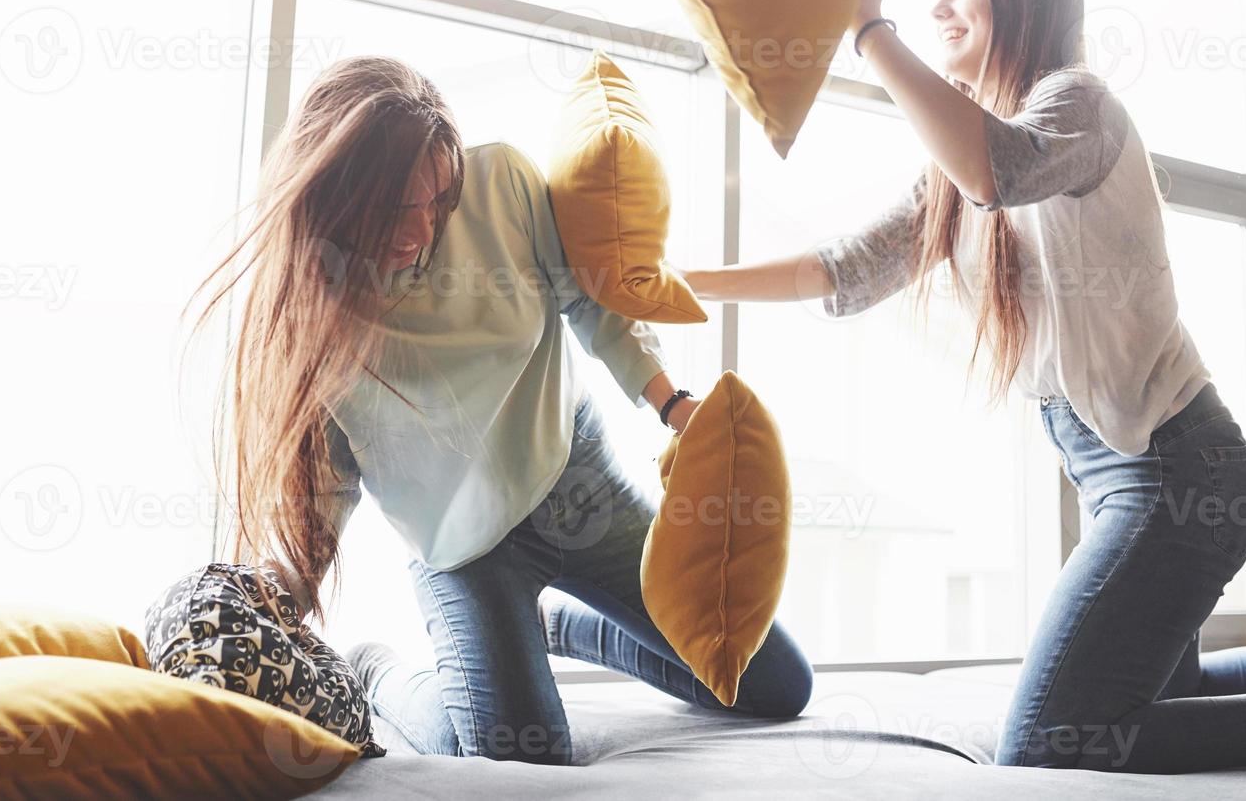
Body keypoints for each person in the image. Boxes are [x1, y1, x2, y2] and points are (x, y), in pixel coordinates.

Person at [679, 0, 1246, 773]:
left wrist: (871, 26)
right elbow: (846, 272)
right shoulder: (955, 169)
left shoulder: (1077, 103)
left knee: (1050, 742)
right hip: (1129, 473)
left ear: (1026, 1)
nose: (937, 6)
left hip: (1175, 473)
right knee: (1163, 696)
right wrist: (684, 284)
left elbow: (994, 170)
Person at [186, 56, 813, 766]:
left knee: (770, 684)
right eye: (396, 211)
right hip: (465, 552)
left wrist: (670, 402)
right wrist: (283, 593)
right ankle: (379, 670)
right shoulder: (313, 321)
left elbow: (586, 299)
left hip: (577, 485)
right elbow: (329, 492)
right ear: (338, 196)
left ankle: (565, 627)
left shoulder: (500, 184)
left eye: (438, 202)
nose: (421, 231)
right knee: (521, 756)